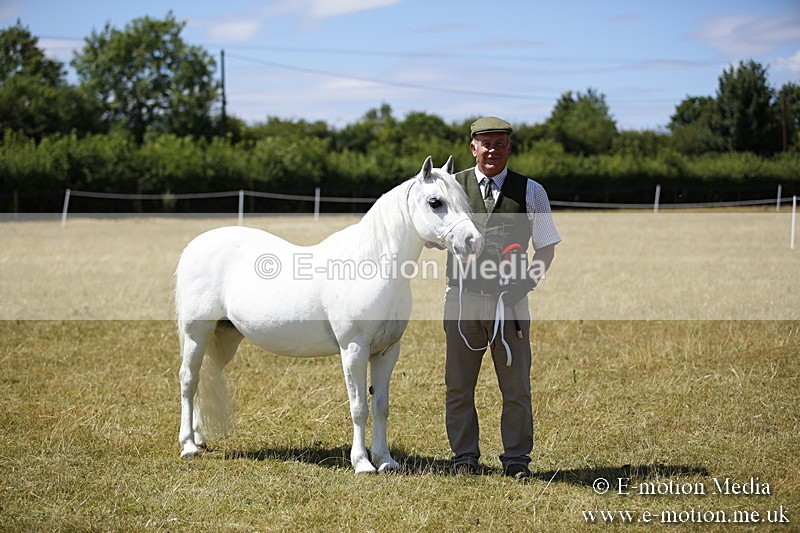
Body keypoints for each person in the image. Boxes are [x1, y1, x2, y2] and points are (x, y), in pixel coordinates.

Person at [442, 116, 560, 480]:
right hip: (462, 301)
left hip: (511, 304)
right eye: (485, 143)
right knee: (459, 386)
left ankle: (516, 460)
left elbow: (546, 249)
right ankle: (464, 457)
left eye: (499, 142)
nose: (492, 149)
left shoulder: (531, 191)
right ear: (472, 147)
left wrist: (526, 284)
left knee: (516, 387)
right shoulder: (452, 186)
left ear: (509, 147)